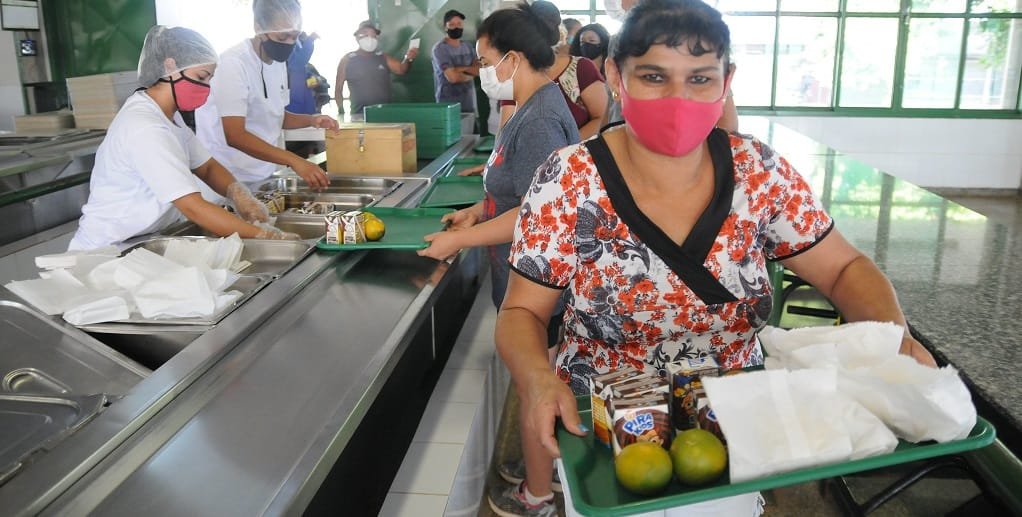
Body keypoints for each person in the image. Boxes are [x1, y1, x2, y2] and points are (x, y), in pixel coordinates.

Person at [495, 1, 937, 516]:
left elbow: (842, 268)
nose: (678, 98)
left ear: (727, 80)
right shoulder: (568, 180)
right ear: (616, 75)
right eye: (654, 76)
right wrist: (537, 378)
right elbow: (522, 312)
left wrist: (893, 337)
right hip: (604, 422)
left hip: (735, 421)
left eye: (700, 78)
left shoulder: (760, 173)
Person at [418, 4, 578, 515]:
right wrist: (473, 212)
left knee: (539, 388)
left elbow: (539, 214)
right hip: (520, 276)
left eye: (486, 59)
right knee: (535, 382)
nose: (482, 70)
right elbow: (514, 192)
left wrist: (458, 243)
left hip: (542, 287)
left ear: (512, 59)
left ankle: (537, 496)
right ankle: (541, 474)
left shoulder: (540, 120)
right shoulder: (526, 108)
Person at [69, 26, 298, 251]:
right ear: (171, 66)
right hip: (106, 251)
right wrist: (263, 234)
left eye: (209, 79)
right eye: (201, 77)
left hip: (139, 240)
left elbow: (206, 167)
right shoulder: (146, 127)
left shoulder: (170, 116)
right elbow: (194, 208)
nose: (206, 87)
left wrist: (239, 195)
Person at [195, 0, 339, 191]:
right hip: (226, 180)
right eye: (282, 37)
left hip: (262, 177)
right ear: (258, 28)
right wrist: (295, 161)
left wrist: (311, 120)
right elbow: (234, 135)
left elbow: (274, 115)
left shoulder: (278, 63)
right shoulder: (233, 64)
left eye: (294, 37)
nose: (289, 43)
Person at [497, 3, 608, 142]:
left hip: (578, 158)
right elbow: (505, 135)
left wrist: (565, 149)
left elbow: (602, 117)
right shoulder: (514, 78)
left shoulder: (580, 68)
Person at [335, 19, 418, 118]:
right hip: (359, 115)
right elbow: (338, 89)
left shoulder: (383, 57)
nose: (370, 38)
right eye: (365, 34)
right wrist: (341, 112)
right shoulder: (347, 59)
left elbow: (401, 69)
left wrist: (408, 58)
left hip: (385, 114)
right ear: (357, 37)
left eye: (373, 35)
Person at [431, 9, 480, 114]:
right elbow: (453, 78)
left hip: (469, 105)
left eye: (459, 24)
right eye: (452, 24)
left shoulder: (468, 47)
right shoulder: (440, 49)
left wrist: (460, 69)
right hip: (447, 107)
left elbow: (479, 71)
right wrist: (470, 74)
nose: (456, 27)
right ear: (445, 27)